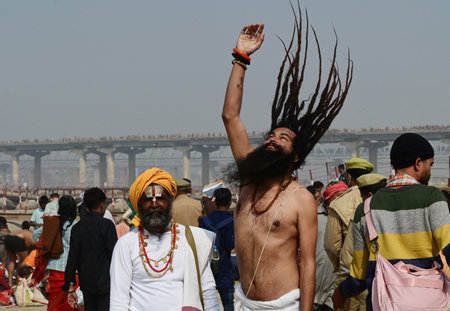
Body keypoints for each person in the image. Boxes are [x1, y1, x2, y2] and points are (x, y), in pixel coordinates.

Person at [222, 4, 353, 309]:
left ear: (295, 157)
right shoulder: (249, 178)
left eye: (283, 138)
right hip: (243, 302)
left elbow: (308, 264)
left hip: (284, 305)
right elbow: (230, 116)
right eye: (270, 135)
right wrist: (241, 58)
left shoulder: (301, 200)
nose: (272, 139)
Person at [332, 133, 450, 310]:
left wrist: (341, 293)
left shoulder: (365, 209)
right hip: (430, 302)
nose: (430, 171)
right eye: (430, 164)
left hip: (383, 304)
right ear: (418, 163)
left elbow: (359, 275)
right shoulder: (432, 198)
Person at [109, 168, 219, 310]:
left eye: (160, 198)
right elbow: (118, 301)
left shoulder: (191, 240)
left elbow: (207, 290)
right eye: (148, 199)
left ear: (170, 201)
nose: (154, 204)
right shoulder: (126, 244)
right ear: (139, 205)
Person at [323, 158, 373, 310]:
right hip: (376, 274)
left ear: (349, 177)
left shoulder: (338, 204)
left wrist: (341, 265)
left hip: (349, 276)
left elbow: (331, 246)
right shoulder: (380, 199)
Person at [332, 174, 386, 311]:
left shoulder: (361, 213)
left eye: (362, 196)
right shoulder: (398, 209)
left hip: (366, 286)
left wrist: (342, 290)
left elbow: (335, 247)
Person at [64, 187, 117, 311]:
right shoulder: (107, 225)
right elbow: (114, 255)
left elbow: (72, 258)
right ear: (102, 205)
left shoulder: (77, 228)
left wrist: (70, 286)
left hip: (86, 283)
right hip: (106, 283)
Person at [199, 188, 235, 311]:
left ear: (214, 201)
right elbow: (231, 244)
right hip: (225, 268)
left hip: (207, 269)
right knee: (228, 303)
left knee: (208, 305)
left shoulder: (204, 221)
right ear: (230, 202)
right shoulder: (231, 221)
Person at [46, 195, 78, 311]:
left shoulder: (53, 224)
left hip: (55, 267)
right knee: (71, 303)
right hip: (71, 269)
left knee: (55, 301)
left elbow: (35, 235)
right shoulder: (75, 226)